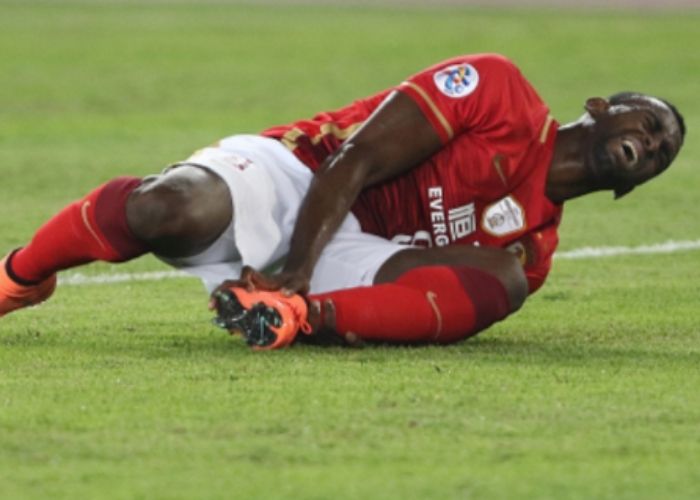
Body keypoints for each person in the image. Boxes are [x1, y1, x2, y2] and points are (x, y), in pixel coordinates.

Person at [0, 54, 685, 350]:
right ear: (599, 108)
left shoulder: (532, 250)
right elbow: (355, 160)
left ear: (631, 188)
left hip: (360, 253)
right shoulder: (499, 90)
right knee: (171, 210)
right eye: (649, 123)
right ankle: (21, 276)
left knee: (502, 282)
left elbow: (420, 294)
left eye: (663, 153)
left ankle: (289, 318)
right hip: (304, 174)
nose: (652, 144)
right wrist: (297, 264)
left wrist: (306, 300)